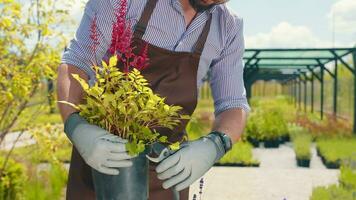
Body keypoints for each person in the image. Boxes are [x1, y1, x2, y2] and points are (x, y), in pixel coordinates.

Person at [57, 0, 251, 199]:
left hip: (168, 173)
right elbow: (76, 63)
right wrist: (77, 127)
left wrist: (216, 144)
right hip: (104, 164)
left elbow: (233, 103)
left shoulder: (228, 26)